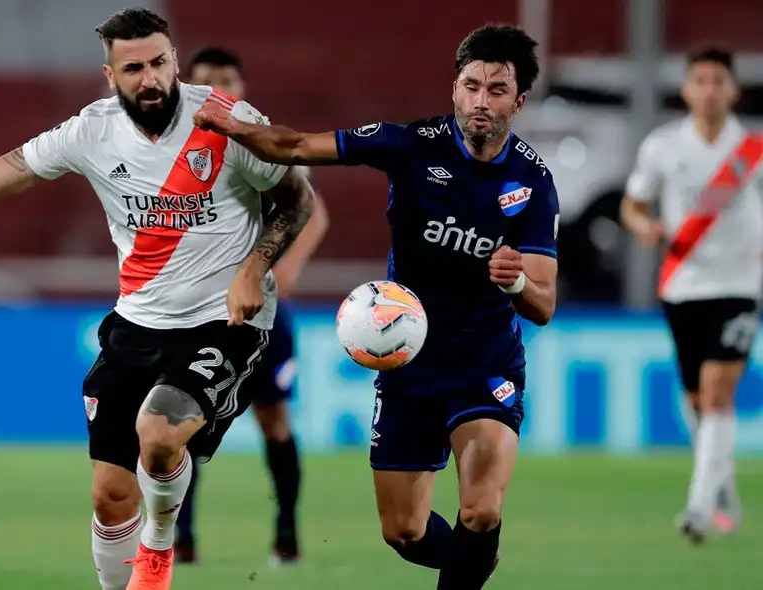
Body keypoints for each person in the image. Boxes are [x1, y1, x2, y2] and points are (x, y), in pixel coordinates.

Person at [0, 8, 315, 590]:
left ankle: (161, 548)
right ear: (110, 75)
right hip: (138, 322)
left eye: (160, 63)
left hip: (223, 320)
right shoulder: (89, 132)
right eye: (135, 68)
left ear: (175, 59)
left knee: (161, 431)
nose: (151, 79)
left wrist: (255, 266)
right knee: (110, 494)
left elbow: (297, 199)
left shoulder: (226, 121)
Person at [195, 24, 557, 589]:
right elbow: (295, 147)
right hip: (408, 362)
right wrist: (232, 126)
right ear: (455, 88)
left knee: (481, 509)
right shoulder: (410, 145)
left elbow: (544, 304)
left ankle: (476, 545)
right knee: (404, 532)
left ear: (519, 101)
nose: (481, 101)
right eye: (471, 86)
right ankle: (475, 556)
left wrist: (516, 286)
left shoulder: (534, 182)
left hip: (485, 362)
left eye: (496, 90)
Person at [175, 46, 330, 566]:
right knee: (185, 424)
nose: (217, 89)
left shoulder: (263, 143)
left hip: (264, 314)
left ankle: (287, 530)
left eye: (226, 80)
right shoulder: (181, 150)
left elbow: (313, 210)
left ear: (242, 87)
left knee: (273, 421)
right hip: (201, 311)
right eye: (204, 81)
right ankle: (183, 538)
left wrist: (284, 269)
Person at [620, 47, 761, 544]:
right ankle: (722, 483)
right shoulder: (662, 146)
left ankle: (699, 508)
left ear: (733, 89)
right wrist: (645, 227)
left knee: (720, 389)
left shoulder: (754, 151)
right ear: (686, 89)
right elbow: (632, 205)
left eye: (718, 80)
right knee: (699, 399)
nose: (709, 89)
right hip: (683, 286)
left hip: (740, 287)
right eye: (700, 79)